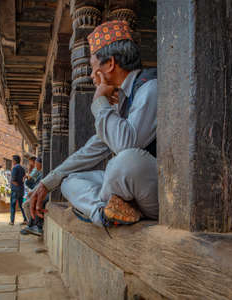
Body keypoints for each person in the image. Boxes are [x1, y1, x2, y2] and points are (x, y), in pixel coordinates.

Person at [29, 20, 158, 228]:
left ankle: (112, 207)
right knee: (70, 181)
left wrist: (99, 102)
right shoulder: (121, 100)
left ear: (110, 64)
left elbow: (126, 145)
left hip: (155, 192)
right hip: (129, 193)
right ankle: (104, 214)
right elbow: (91, 150)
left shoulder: (149, 88)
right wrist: (48, 182)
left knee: (127, 159)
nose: (91, 75)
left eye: (92, 67)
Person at [21, 157, 45, 236]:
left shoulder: (43, 173)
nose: (35, 165)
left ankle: (34, 226)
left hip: (43, 194)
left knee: (29, 204)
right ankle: (31, 225)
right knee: (27, 203)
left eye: (36, 164)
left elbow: (40, 185)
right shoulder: (39, 172)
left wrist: (33, 192)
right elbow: (33, 184)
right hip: (38, 193)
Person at [9, 155, 27, 225]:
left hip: (15, 189)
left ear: (15, 161)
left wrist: (16, 185)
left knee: (13, 205)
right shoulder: (22, 168)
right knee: (21, 205)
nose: (12, 161)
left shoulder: (14, 168)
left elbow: (13, 180)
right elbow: (23, 178)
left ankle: (12, 221)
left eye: (12, 160)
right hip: (21, 188)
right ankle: (25, 219)